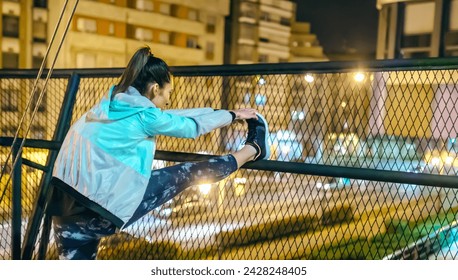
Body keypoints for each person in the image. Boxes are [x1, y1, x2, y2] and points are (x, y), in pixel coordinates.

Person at [49, 46, 270, 260]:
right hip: (99, 211)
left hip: (63, 213)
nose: (168, 100)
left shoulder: (107, 107)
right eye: (168, 93)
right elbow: (190, 127)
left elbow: (174, 116)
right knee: (187, 173)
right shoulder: (145, 117)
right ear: (155, 89)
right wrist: (234, 115)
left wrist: (226, 113)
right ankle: (253, 150)